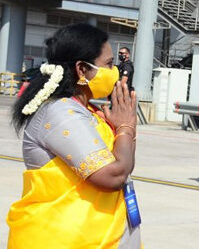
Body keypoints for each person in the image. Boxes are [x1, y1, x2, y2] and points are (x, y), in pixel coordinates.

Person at [7, 24, 141, 248]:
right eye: (108, 64)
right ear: (82, 69)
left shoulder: (86, 110)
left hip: (90, 235)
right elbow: (112, 177)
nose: (115, 71)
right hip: (63, 238)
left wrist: (123, 129)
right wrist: (126, 127)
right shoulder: (61, 112)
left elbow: (122, 164)